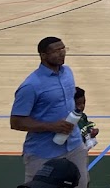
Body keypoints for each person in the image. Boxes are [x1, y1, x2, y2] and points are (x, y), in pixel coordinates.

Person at [10, 38, 88, 188]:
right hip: (43, 151)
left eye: (63, 49)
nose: (61, 53)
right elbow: (16, 122)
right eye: (56, 51)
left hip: (74, 145)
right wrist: (51, 126)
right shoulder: (31, 85)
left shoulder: (68, 73)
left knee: (81, 184)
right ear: (43, 55)